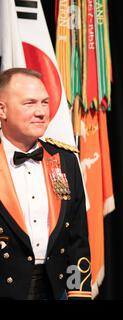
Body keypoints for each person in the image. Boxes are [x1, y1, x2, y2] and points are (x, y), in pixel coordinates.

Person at [0, 68, 91, 300]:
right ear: (2, 109)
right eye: (29, 103)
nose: (41, 112)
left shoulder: (65, 160)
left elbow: (77, 238)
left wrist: (79, 294)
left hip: (53, 289)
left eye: (44, 102)